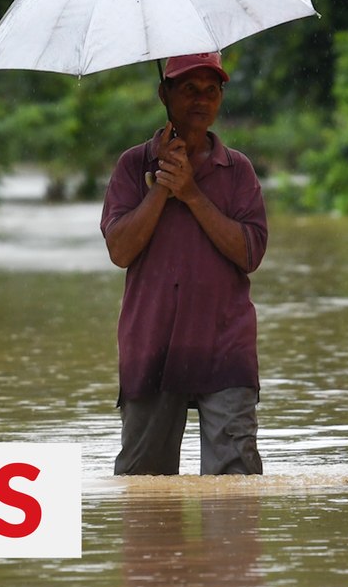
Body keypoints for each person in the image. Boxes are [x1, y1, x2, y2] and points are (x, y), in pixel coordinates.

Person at [100, 52, 267, 476]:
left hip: (224, 344)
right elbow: (120, 251)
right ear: (164, 93)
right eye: (189, 89)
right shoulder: (132, 166)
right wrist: (159, 190)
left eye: (211, 91)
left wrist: (192, 194)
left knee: (236, 486)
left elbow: (250, 254)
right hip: (150, 341)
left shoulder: (238, 171)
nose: (201, 100)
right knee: (144, 491)